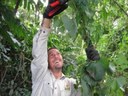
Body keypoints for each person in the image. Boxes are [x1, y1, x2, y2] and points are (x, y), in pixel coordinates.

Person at [31, 0, 100, 96]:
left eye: (58, 54)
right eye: (51, 55)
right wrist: (47, 17)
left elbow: (87, 88)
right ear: (46, 61)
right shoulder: (40, 74)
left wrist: (94, 64)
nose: (56, 56)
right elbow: (39, 50)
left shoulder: (71, 84)